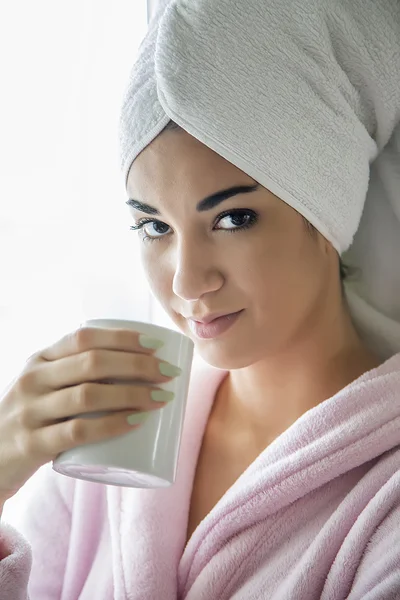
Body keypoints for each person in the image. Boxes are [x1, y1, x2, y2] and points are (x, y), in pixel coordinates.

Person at [1, 0, 400, 598]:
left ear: (327, 210)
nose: (186, 283)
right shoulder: (114, 433)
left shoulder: (384, 500)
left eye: (234, 218)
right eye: (154, 226)